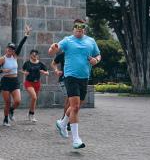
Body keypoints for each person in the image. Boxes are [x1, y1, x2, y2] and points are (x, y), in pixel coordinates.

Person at [49, 19, 101, 149]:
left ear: (84, 28)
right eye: (77, 26)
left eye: (82, 26)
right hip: (70, 76)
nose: (79, 28)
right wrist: (53, 48)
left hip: (84, 77)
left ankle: (62, 123)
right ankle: (76, 139)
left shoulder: (91, 41)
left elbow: (98, 55)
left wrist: (96, 60)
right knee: (75, 107)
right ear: (73, 28)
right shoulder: (67, 40)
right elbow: (53, 50)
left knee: (76, 107)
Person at [0, 25, 31, 126]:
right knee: (7, 101)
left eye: (12, 49)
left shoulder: (15, 56)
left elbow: (20, 45)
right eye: (9, 48)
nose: (10, 50)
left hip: (14, 81)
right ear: (6, 49)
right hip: (6, 81)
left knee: (18, 101)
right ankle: (5, 119)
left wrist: (26, 35)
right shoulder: (2, 59)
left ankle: (11, 110)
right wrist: (3, 70)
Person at [22, 49, 49, 122]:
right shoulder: (27, 63)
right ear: (30, 55)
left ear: (37, 55)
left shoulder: (40, 64)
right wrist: (24, 73)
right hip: (29, 82)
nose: (34, 56)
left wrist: (44, 72)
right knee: (34, 97)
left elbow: (47, 73)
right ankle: (32, 114)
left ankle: (30, 114)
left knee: (34, 100)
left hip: (37, 83)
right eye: (33, 54)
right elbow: (22, 70)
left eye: (36, 55)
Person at [51, 52, 71, 131]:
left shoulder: (75, 52)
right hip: (63, 80)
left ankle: (64, 121)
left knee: (70, 101)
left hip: (73, 80)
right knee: (70, 100)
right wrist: (56, 70)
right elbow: (53, 63)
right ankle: (65, 122)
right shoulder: (62, 54)